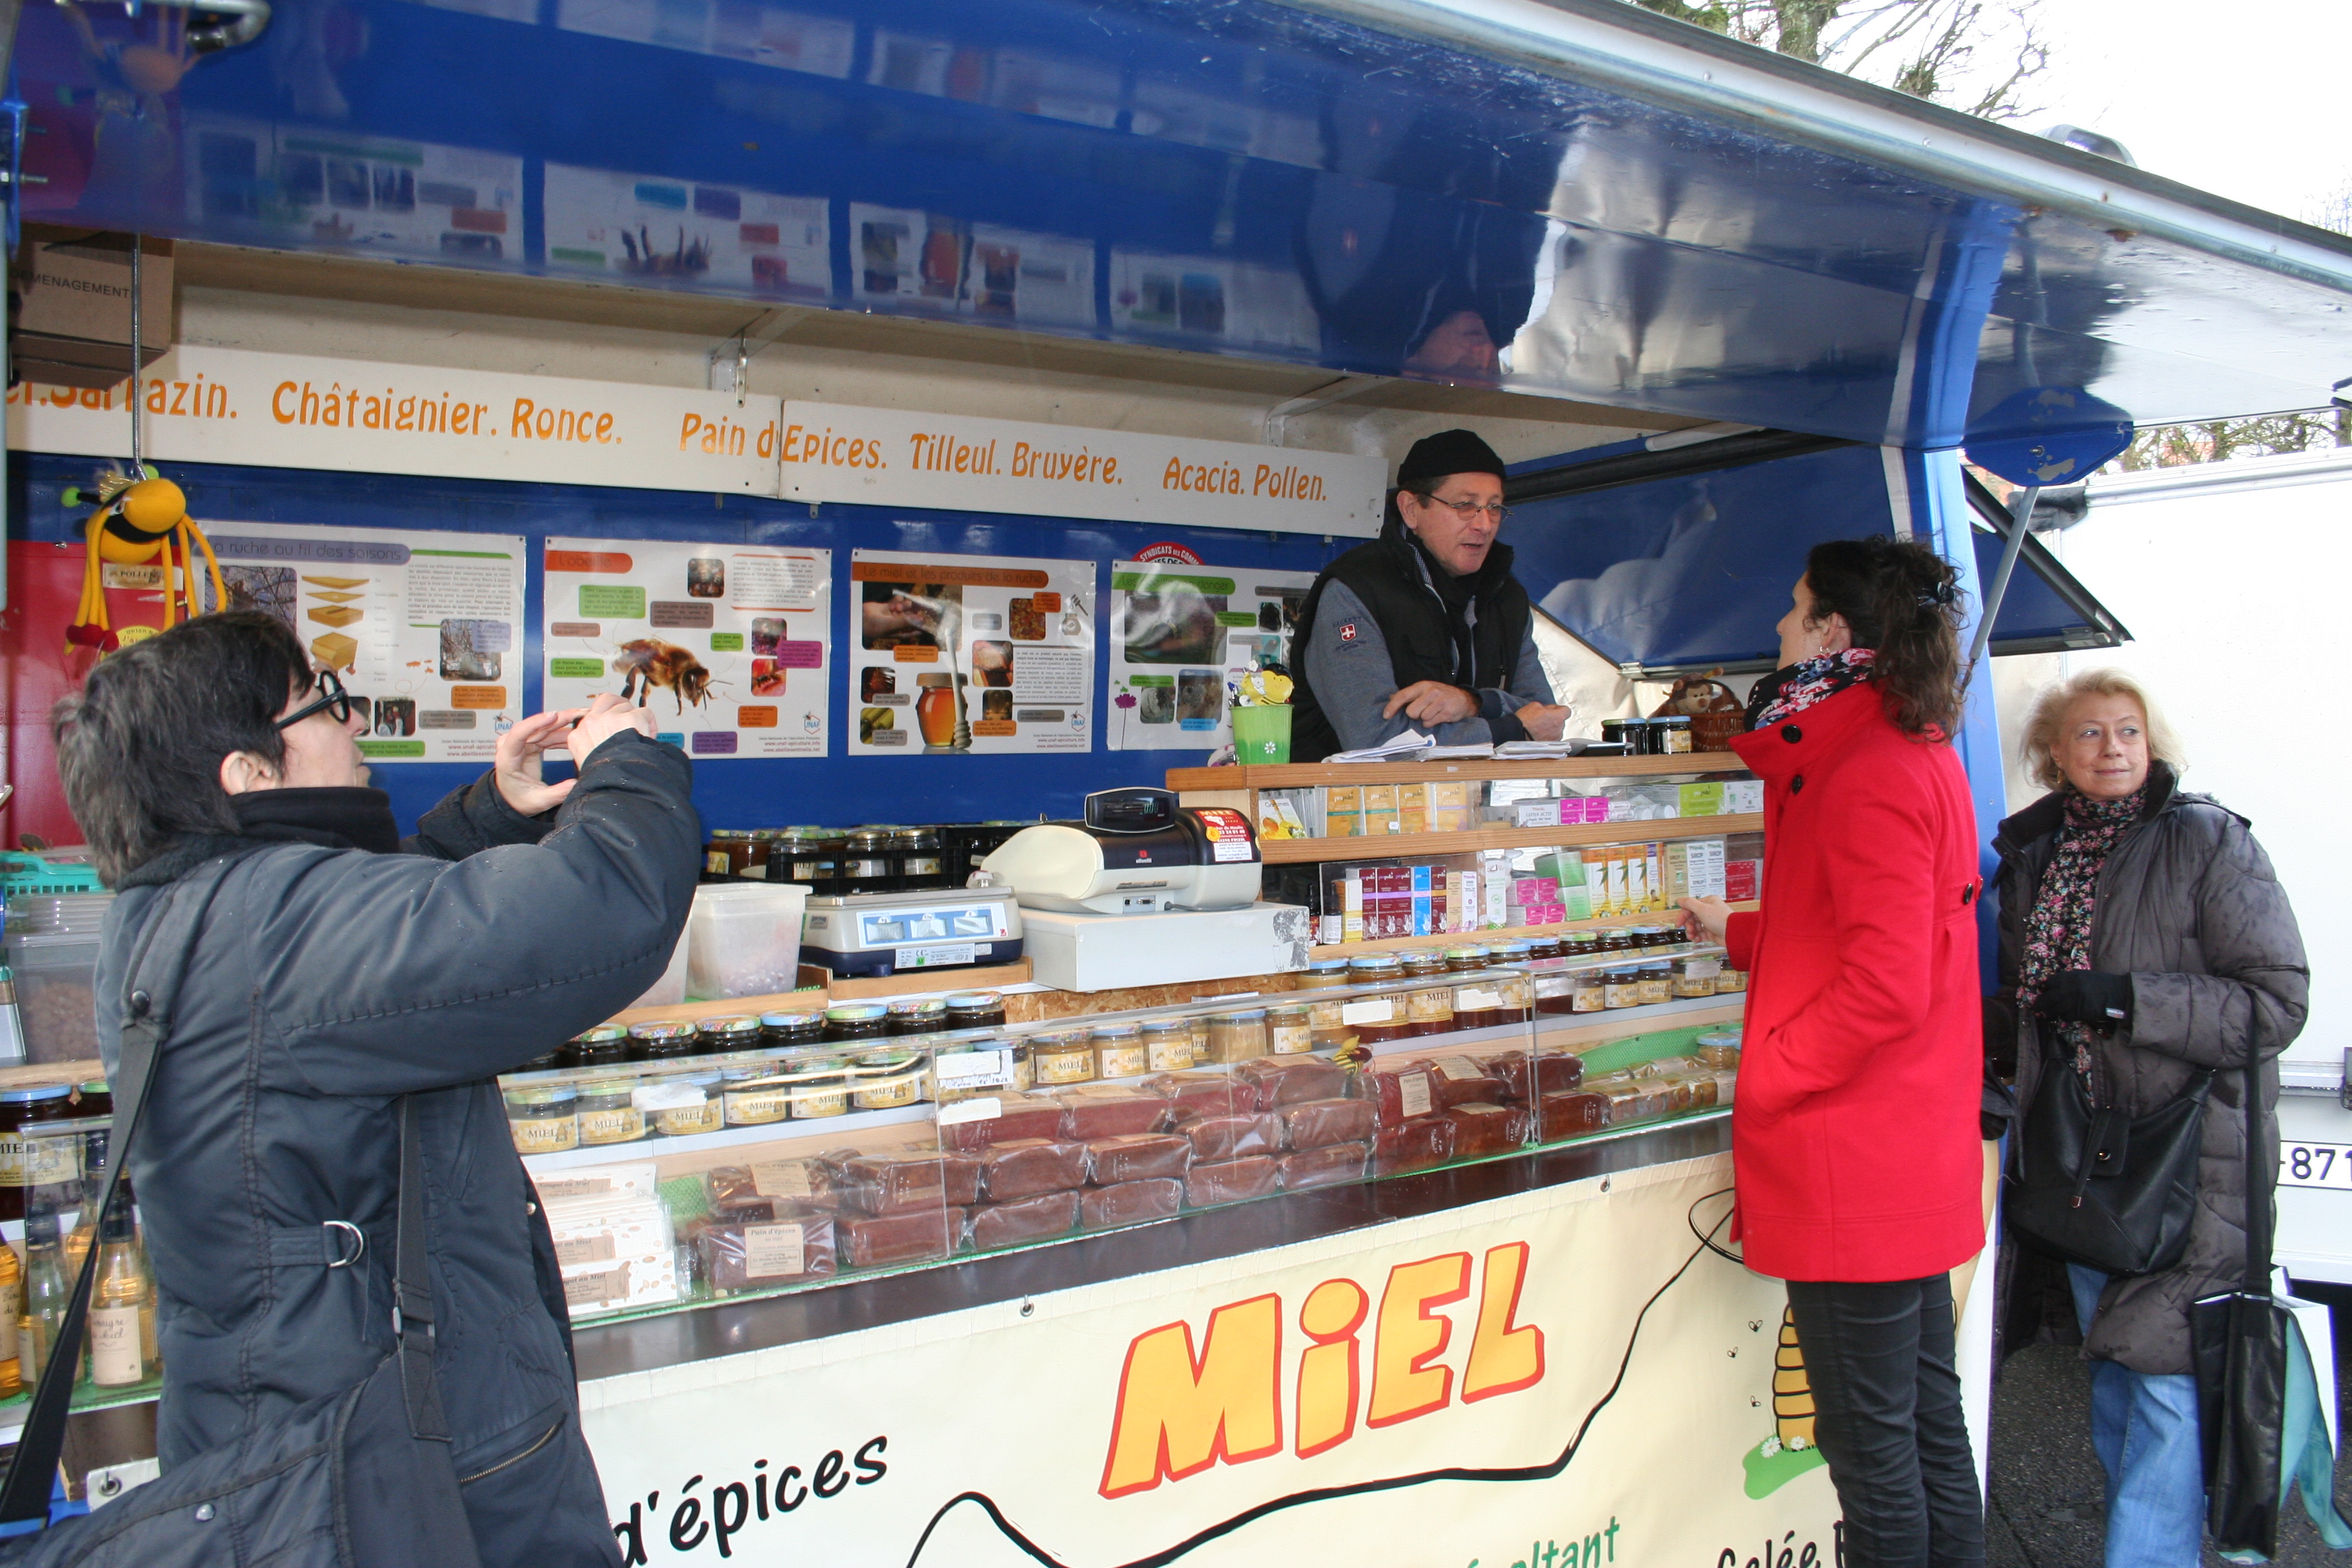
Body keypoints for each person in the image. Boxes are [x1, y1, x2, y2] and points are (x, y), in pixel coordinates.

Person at [52, 611, 703, 1568]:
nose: (355, 727)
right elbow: (602, 913)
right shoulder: (279, 931)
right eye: (327, 706)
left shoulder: (185, 910)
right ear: (250, 773)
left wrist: (489, 812)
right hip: (395, 1467)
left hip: (286, 1435)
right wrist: (627, 765)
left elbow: (367, 950)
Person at [1680, 537, 1987, 1568]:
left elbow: (1884, 984)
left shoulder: (1863, 766)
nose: (1776, 627)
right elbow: (1863, 934)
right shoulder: (1907, 745)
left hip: (1857, 1157)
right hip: (1905, 1146)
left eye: (1793, 608)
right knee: (1925, 1423)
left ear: (1834, 634)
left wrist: (1770, 1072)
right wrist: (1733, 934)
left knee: (1870, 1447)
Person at [1986, 668, 2305, 1568]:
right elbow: (2040, 1003)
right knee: (2118, 1381)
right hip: (2080, 1157)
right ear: (2054, 752)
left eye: (2129, 730)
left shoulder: (2207, 842)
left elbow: (2275, 1006)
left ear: (2152, 741)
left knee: (2164, 1389)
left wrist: (2131, 1002)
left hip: (2187, 1161)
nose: (2114, 748)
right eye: (2090, 734)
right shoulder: (2035, 854)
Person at [1288, 428, 1569, 760]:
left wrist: (1473, 702)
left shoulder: (1507, 595)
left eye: (1494, 508)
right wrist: (1507, 730)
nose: (1484, 524)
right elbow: (1375, 739)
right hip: (1355, 807)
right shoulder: (1356, 590)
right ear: (1410, 509)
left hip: (1478, 807)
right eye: (1466, 505)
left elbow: (1547, 718)